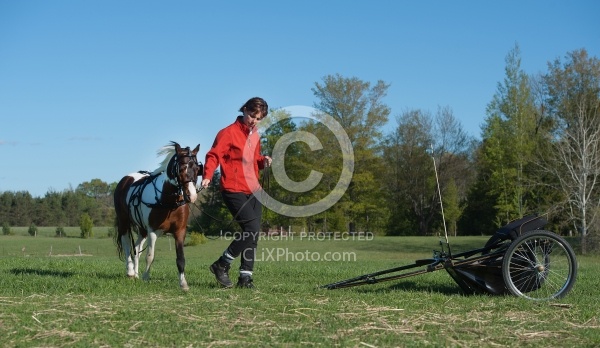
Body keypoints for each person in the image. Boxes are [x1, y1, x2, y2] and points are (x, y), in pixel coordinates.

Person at [201, 97, 272, 288]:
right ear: (244, 110)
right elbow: (214, 155)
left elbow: (253, 158)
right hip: (233, 188)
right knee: (251, 229)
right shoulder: (228, 133)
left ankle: (245, 277)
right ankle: (221, 264)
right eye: (251, 115)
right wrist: (207, 175)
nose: (253, 121)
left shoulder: (255, 135)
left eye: (258, 118)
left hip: (254, 189)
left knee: (253, 235)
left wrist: (262, 160)